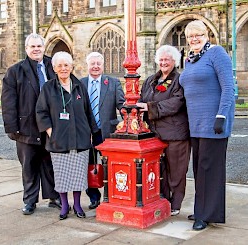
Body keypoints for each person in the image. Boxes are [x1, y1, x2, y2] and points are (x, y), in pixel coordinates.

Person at [179, 20, 235, 230]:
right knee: (199, 170)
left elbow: (229, 87)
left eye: (198, 35)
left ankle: (208, 214)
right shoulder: (190, 60)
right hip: (195, 124)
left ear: (206, 35)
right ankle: (201, 209)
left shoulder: (217, 53)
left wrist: (221, 115)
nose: (194, 39)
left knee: (210, 170)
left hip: (213, 124)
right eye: (190, 36)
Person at [1, 33, 61, 215]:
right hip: (26, 128)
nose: (36, 49)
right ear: (26, 49)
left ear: (44, 47)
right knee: (29, 167)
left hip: (51, 127)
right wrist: (12, 128)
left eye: (39, 46)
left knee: (51, 164)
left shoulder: (54, 66)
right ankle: (30, 201)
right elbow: (8, 101)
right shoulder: (15, 71)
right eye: (32, 46)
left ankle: (54, 197)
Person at [36, 51, 99, 220]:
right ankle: (64, 205)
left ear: (72, 67)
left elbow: (88, 111)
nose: (63, 68)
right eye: (60, 65)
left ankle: (77, 204)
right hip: (59, 140)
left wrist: (92, 133)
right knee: (62, 175)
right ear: (54, 68)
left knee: (78, 175)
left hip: (80, 139)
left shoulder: (79, 86)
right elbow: (41, 112)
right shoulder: (48, 88)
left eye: (66, 65)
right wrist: (51, 132)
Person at [136, 45, 191, 217]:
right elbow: (141, 99)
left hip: (175, 135)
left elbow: (176, 102)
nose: (163, 62)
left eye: (167, 59)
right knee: (160, 171)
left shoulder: (179, 80)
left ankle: (176, 204)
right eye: (161, 59)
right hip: (155, 135)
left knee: (177, 171)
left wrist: (150, 107)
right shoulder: (151, 80)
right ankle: (164, 199)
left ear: (174, 61)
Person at [80, 52, 125, 209]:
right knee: (89, 165)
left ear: (103, 65)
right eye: (92, 64)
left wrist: (128, 118)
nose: (95, 66)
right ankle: (94, 197)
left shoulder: (112, 82)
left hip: (107, 132)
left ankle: (111, 194)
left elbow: (121, 104)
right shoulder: (80, 83)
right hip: (87, 133)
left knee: (110, 166)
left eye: (98, 63)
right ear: (88, 66)